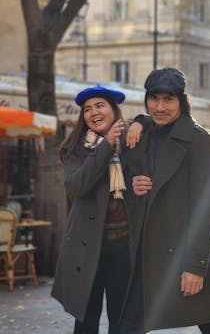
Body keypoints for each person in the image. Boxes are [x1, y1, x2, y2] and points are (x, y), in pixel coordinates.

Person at [121, 68, 210, 334]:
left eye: (168, 100)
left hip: (186, 251)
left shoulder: (200, 141)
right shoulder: (144, 132)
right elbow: (127, 177)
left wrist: (195, 267)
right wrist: (132, 186)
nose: (159, 107)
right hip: (149, 254)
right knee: (129, 326)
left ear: (182, 101)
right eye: (153, 99)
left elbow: (206, 208)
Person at [51, 86, 131, 334]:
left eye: (99, 106)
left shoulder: (132, 143)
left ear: (113, 110)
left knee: (123, 320)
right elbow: (78, 186)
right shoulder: (74, 148)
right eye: (87, 109)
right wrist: (105, 146)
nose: (93, 112)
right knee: (86, 321)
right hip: (86, 248)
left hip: (124, 248)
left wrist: (139, 123)